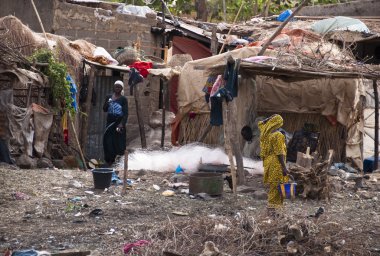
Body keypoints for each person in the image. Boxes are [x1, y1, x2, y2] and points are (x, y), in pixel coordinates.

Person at [258, 114, 288, 214]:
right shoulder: (278, 135)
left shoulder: (265, 134)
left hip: (268, 163)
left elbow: (260, 124)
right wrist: (284, 167)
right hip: (276, 163)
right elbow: (279, 152)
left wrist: (268, 118)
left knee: (274, 186)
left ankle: (275, 210)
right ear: (278, 124)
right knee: (277, 187)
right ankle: (273, 212)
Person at [102, 80, 128, 166]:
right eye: (116, 86)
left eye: (119, 87)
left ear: (122, 89)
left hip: (118, 123)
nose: (117, 88)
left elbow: (125, 113)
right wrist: (107, 103)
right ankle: (109, 161)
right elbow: (104, 109)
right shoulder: (109, 97)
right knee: (108, 142)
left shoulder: (123, 99)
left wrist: (121, 124)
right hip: (110, 123)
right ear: (114, 87)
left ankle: (119, 162)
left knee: (119, 142)